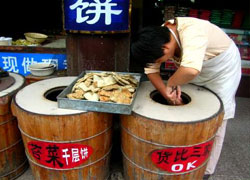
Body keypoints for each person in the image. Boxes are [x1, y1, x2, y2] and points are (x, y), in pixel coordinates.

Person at [131, 17, 241, 179]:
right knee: (192, 107)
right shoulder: (158, 38)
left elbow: (190, 70)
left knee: (217, 115)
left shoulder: (192, 32)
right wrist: (166, 93)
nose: (160, 62)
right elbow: (151, 71)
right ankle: (185, 149)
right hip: (195, 66)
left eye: (161, 60)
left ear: (166, 48)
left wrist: (172, 83)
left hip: (221, 69)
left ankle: (206, 170)